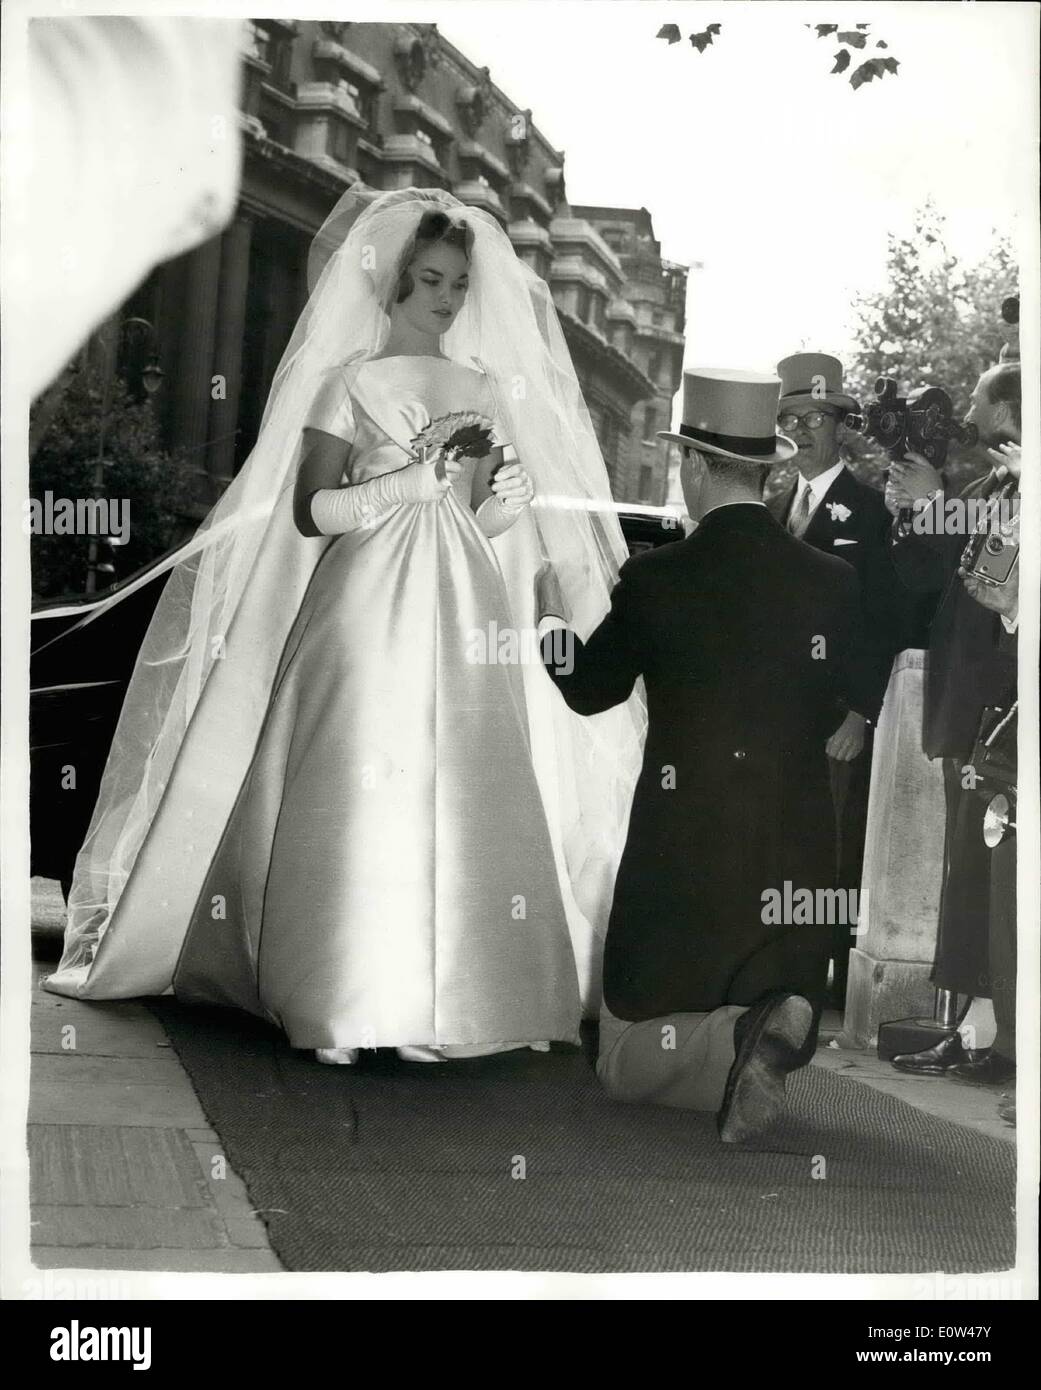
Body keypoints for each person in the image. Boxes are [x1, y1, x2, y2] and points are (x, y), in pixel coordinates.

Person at [44, 188, 645, 1064]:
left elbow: (474, 522)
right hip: (363, 602)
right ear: (393, 282)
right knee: (362, 774)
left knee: (457, 775)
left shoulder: (481, 388)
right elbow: (308, 511)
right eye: (430, 280)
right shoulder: (349, 381)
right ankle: (340, 995)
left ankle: (452, 1003)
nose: (445, 297)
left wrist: (504, 510)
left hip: (466, 606)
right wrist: (402, 484)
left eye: (456, 283)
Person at [537, 369, 881, 1142]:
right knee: (755, 977)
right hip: (792, 849)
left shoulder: (657, 576)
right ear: (767, 473)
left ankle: (730, 1040)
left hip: (682, 843)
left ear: (692, 465)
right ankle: (765, 1022)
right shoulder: (831, 580)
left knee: (621, 1065)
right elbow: (857, 688)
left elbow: (588, 690)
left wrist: (549, 622)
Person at [885, 363, 1020, 1094]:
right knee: (964, 877)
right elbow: (923, 578)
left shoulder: (1013, 494)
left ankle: (986, 1038)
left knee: (986, 880)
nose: (966, 416)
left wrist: (935, 503)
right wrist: (912, 510)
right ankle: (970, 1027)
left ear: (1009, 413)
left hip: (994, 720)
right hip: (965, 713)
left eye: (978, 402)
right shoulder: (985, 490)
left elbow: (991, 573)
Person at [769, 353, 906, 1004]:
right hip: (780, 716)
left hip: (834, 720)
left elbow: (881, 623)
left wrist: (859, 713)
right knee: (781, 842)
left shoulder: (870, 511)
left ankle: (820, 987)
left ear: (839, 425)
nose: (800, 429)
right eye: (789, 417)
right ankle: (778, 972)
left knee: (831, 849)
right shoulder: (772, 505)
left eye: (814, 417)